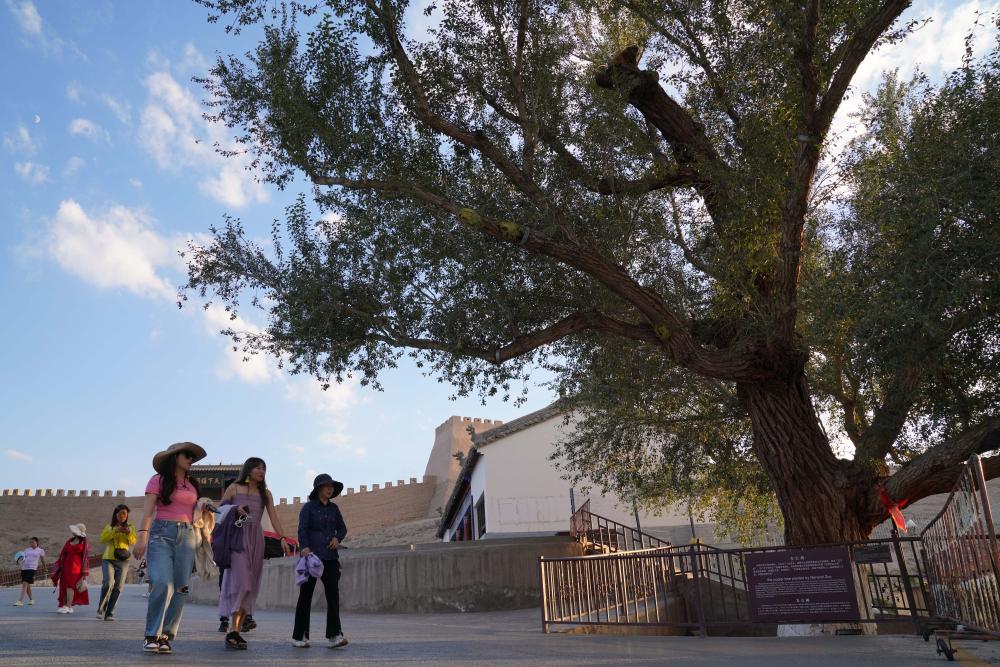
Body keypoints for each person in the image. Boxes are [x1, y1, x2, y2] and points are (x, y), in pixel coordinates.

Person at [133, 441, 212, 654]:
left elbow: (195, 512)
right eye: (187, 455)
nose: (191, 459)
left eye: (192, 457)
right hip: (161, 534)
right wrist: (141, 537)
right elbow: (148, 512)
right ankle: (151, 634)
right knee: (161, 583)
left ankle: (166, 635)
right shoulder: (157, 480)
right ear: (174, 457)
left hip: (188, 535)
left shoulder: (192, 484)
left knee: (181, 588)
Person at [217, 457, 291, 650]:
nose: (261, 471)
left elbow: (274, 518)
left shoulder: (265, 493)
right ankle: (232, 628)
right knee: (244, 583)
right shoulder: (234, 488)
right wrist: (235, 509)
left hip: (257, 540)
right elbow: (219, 511)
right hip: (238, 538)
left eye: (263, 468)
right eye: (257, 467)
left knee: (251, 587)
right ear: (248, 469)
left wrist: (283, 538)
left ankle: (235, 631)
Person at [292, 473, 348, 649]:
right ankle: (299, 636)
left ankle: (334, 635)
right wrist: (304, 548)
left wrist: (338, 538)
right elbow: (302, 529)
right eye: (326, 486)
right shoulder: (308, 508)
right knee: (305, 596)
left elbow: (342, 528)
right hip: (312, 557)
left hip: (330, 557)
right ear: (318, 489)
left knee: (333, 596)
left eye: (332, 487)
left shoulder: (334, 509)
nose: (330, 489)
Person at [97, 504, 137, 621]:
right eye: (120, 513)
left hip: (123, 560)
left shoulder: (131, 527)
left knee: (118, 587)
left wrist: (128, 533)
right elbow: (102, 539)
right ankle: (101, 609)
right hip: (108, 559)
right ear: (116, 514)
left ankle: (109, 613)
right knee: (108, 584)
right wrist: (115, 531)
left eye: (125, 514)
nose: (123, 516)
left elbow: (133, 541)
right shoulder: (109, 526)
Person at [52, 524, 90, 614]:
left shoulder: (84, 542)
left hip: (76, 568)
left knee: (70, 586)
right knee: (64, 585)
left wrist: (83, 573)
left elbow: (86, 558)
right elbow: (63, 553)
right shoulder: (69, 541)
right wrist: (60, 566)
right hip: (66, 566)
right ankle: (65, 605)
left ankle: (68, 606)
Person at [13, 537, 45, 606]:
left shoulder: (40, 550)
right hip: (24, 568)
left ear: (37, 542)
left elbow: (42, 560)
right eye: (30, 542)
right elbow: (22, 558)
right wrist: (18, 561)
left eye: (32, 542)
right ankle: (31, 600)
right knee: (27, 585)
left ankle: (20, 601)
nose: (31, 543)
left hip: (32, 568)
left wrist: (45, 568)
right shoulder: (26, 550)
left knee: (25, 584)